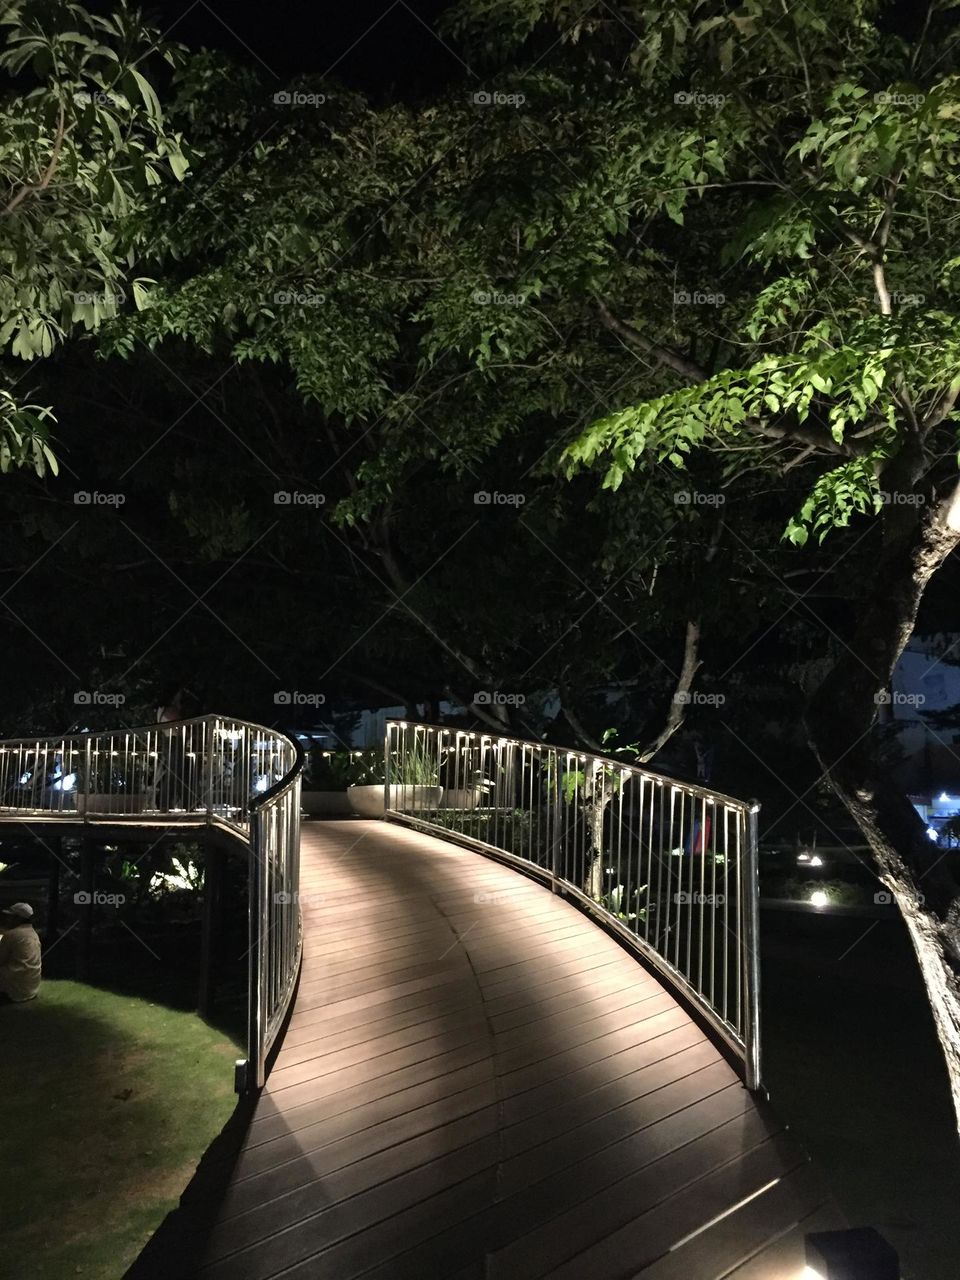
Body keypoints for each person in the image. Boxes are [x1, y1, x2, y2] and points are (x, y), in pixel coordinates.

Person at [0, 902, 41, 1003]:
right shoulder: (33, 933)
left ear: (18, 918)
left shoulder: (12, 935)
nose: (7, 919)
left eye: (10, 916)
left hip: (15, 990)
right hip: (31, 988)